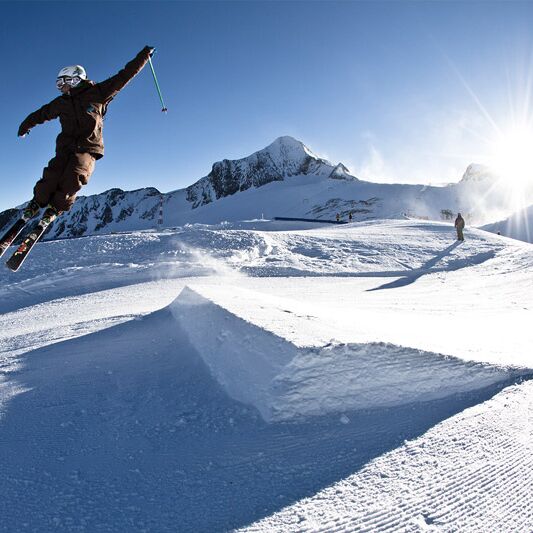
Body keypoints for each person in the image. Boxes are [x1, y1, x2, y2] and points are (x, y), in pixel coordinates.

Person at [17, 46, 155, 219]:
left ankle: (56, 207)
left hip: (88, 148)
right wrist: (25, 126)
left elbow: (125, 75)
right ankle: (37, 202)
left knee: (75, 176)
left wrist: (144, 56)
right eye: (58, 84)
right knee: (52, 174)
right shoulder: (62, 102)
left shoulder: (99, 93)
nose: (60, 87)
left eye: (62, 83)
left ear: (74, 79)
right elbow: (42, 113)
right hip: (65, 147)